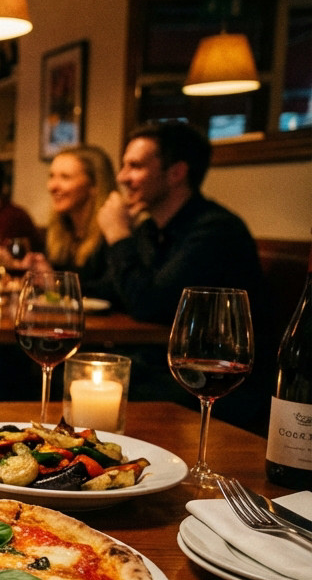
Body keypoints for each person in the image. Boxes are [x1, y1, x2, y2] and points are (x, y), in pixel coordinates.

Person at [95, 121, 270, 433]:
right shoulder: (154, 229)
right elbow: (113, 290)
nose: (122, 177)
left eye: (134, 166)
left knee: (86, 382)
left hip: (215, 389)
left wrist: (119, 236)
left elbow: (149, 304)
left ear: (176, 173)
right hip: (164, 369)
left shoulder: (214, 231)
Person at [34, 144, 116, 289]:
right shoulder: (60, 232)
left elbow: (113, 292)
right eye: (51, 176)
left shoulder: (114, 230)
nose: (52, 186)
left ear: (94, 185)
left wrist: (57, 284)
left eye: (65, 177)